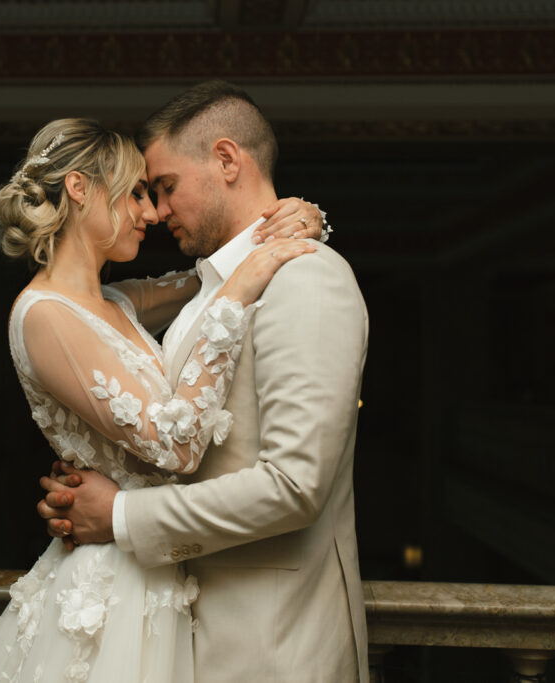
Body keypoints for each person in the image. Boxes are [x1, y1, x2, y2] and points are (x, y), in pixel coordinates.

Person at [0, 117, 325, 683]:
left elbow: (206, 278)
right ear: (81, 190)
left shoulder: (118, 301)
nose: (153, 213)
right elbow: (176, 447)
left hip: (161, 571)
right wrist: (238, 290)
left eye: (154, 194)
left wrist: (297, 219)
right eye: (136, 192)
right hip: (112, 588)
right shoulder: (42, 316)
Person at [38, 81, 370, 683]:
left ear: (226, 160)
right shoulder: (204, 290)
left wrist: (118, 513)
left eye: (166, 187)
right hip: (175, 631)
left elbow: (295, 486)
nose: (157, 211)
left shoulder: (308, 281)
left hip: (271, 644)